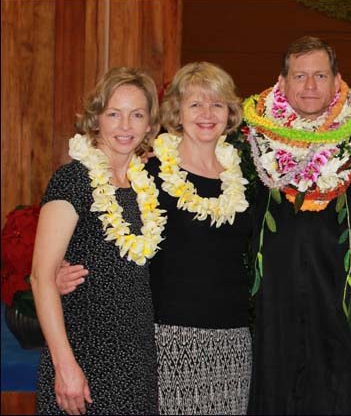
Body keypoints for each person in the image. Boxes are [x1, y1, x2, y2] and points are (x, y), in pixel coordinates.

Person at [56, 62, 253, 415]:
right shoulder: (144, 173)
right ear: (177, 112)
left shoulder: (248, 177)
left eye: (217, 104)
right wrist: (59, 272)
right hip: (167, 341)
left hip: (233, 340)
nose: (207, 114)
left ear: (230, 113)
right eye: (195, 104)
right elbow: (100, 236)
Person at [242, 35, 351, 414]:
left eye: (320, 75)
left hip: (338, 298)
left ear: (337, 80)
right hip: (272, 303)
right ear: (282, 82)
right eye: (299, 76)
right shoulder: (250, 142)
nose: (310, 86)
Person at [31, 67, 165, 414]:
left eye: (137, 115)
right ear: (96, 119)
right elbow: (41, 277)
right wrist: (65, 367)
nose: (125, 126)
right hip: (83, 354)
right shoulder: (72, 180)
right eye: (114, 114)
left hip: (136, 359)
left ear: (150, 124)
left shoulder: (144, 186)